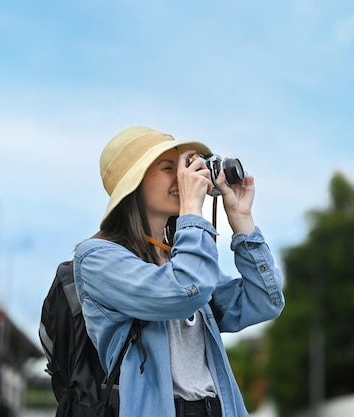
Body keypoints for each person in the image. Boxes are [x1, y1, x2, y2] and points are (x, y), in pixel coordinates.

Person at [73, 126, 285, 417]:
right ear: (134, 183)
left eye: (184, 167)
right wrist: (190, 209)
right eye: (168, 168)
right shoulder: (97, 259)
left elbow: (265, 301)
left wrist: (241, 219)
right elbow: (183, 290)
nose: (183, 177)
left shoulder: (180, 259)